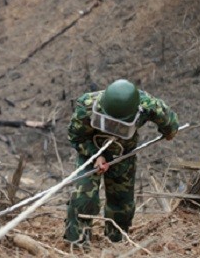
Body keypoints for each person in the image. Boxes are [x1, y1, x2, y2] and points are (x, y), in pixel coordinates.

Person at [65, 79, 179, 245]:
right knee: (84, 197)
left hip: (123, 154)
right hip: (91, 151)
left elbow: (168, 118)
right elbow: (75, 137)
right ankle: (77, 243)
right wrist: (96, 156)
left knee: (122, 203)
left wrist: (169, 131)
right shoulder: (87, 107)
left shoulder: (146, 105)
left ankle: (116, 242)